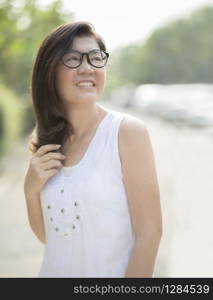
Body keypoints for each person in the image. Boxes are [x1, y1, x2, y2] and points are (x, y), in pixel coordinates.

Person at [23, 21, 162, 278]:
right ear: (49, 70)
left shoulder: (126, 132)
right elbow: (49, 237)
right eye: (73, 59)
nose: (87, 68)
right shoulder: (48, 141)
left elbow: (149, 234)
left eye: (96, 58)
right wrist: (30, 190)